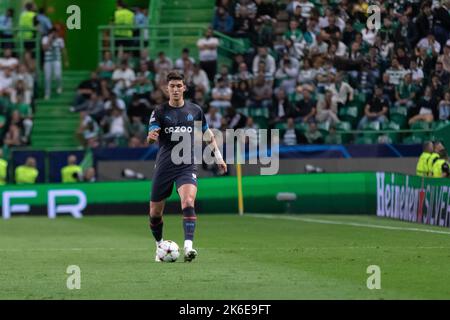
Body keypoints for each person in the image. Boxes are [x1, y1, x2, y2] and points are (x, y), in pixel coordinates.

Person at [146, 70, 227, 262]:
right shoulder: (159, 111)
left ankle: (188, 247)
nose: (175, 89)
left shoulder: (195, 110)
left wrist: (219, 157)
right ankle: (160, 246)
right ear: (167, 88)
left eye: (178, 86)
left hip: (186, 165)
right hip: (165, 165)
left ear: (184, 88)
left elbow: (208, 135)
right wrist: (150, 138)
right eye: (172, 86)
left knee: (188, 202)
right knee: (155, 213)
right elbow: (150, 136)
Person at [42, 28, 67, 99]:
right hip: (48, 61)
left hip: (57, 60)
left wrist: (65, 60)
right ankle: (47, 93)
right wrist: (49, 40)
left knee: (57, 75)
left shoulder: (60, 40)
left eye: (55, 33)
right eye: (53, 33)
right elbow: (44, 49)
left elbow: (63, 50)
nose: (54, 34)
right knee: (47, 77)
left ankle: (59, 86)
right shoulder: (45, 39)